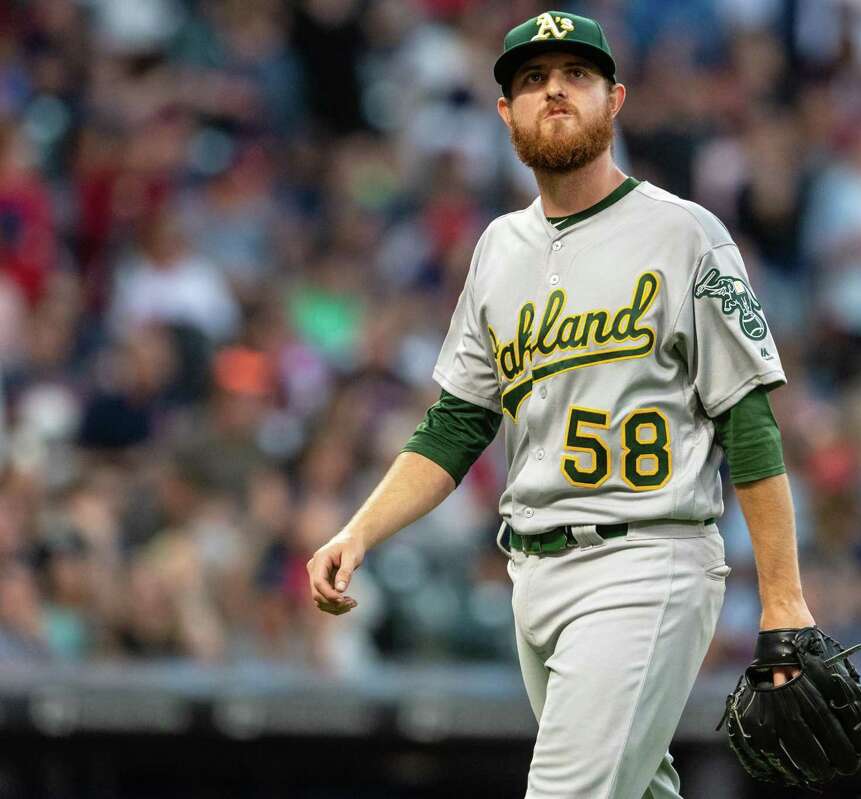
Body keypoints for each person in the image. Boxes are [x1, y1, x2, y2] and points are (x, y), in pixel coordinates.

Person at [306, 10, 818, 798]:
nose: (554, 92)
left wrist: (783, 598)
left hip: (647, 557)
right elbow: (457, 424)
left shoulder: (684, 235)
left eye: (574, 76)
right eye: (532, 81)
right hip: (534, 575)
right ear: (505, 114)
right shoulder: (499, 250)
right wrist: (359, 529)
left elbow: (746, 420)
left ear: (615, 100)